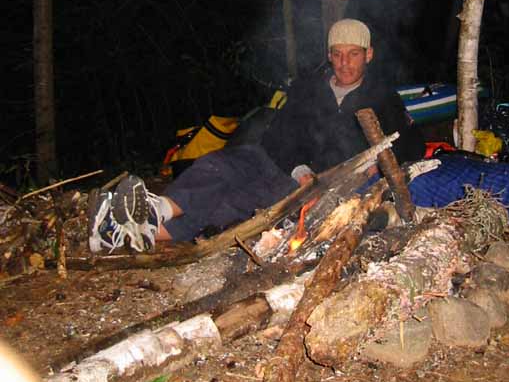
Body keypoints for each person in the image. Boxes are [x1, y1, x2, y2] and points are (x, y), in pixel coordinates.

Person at [88, 19, 425, 252]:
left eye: (353, 53)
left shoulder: (383, 97)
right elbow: (277, 135)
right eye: (337, 53)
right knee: (219, 164)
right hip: (283, 163)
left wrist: (375, 168)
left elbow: (413, 144)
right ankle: (155, 207)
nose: (344, 62)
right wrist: (298, 167)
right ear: (329, 55)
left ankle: (131, 233)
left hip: (317, 183)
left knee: (233, 204)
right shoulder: (309, 88)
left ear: (368, 55)